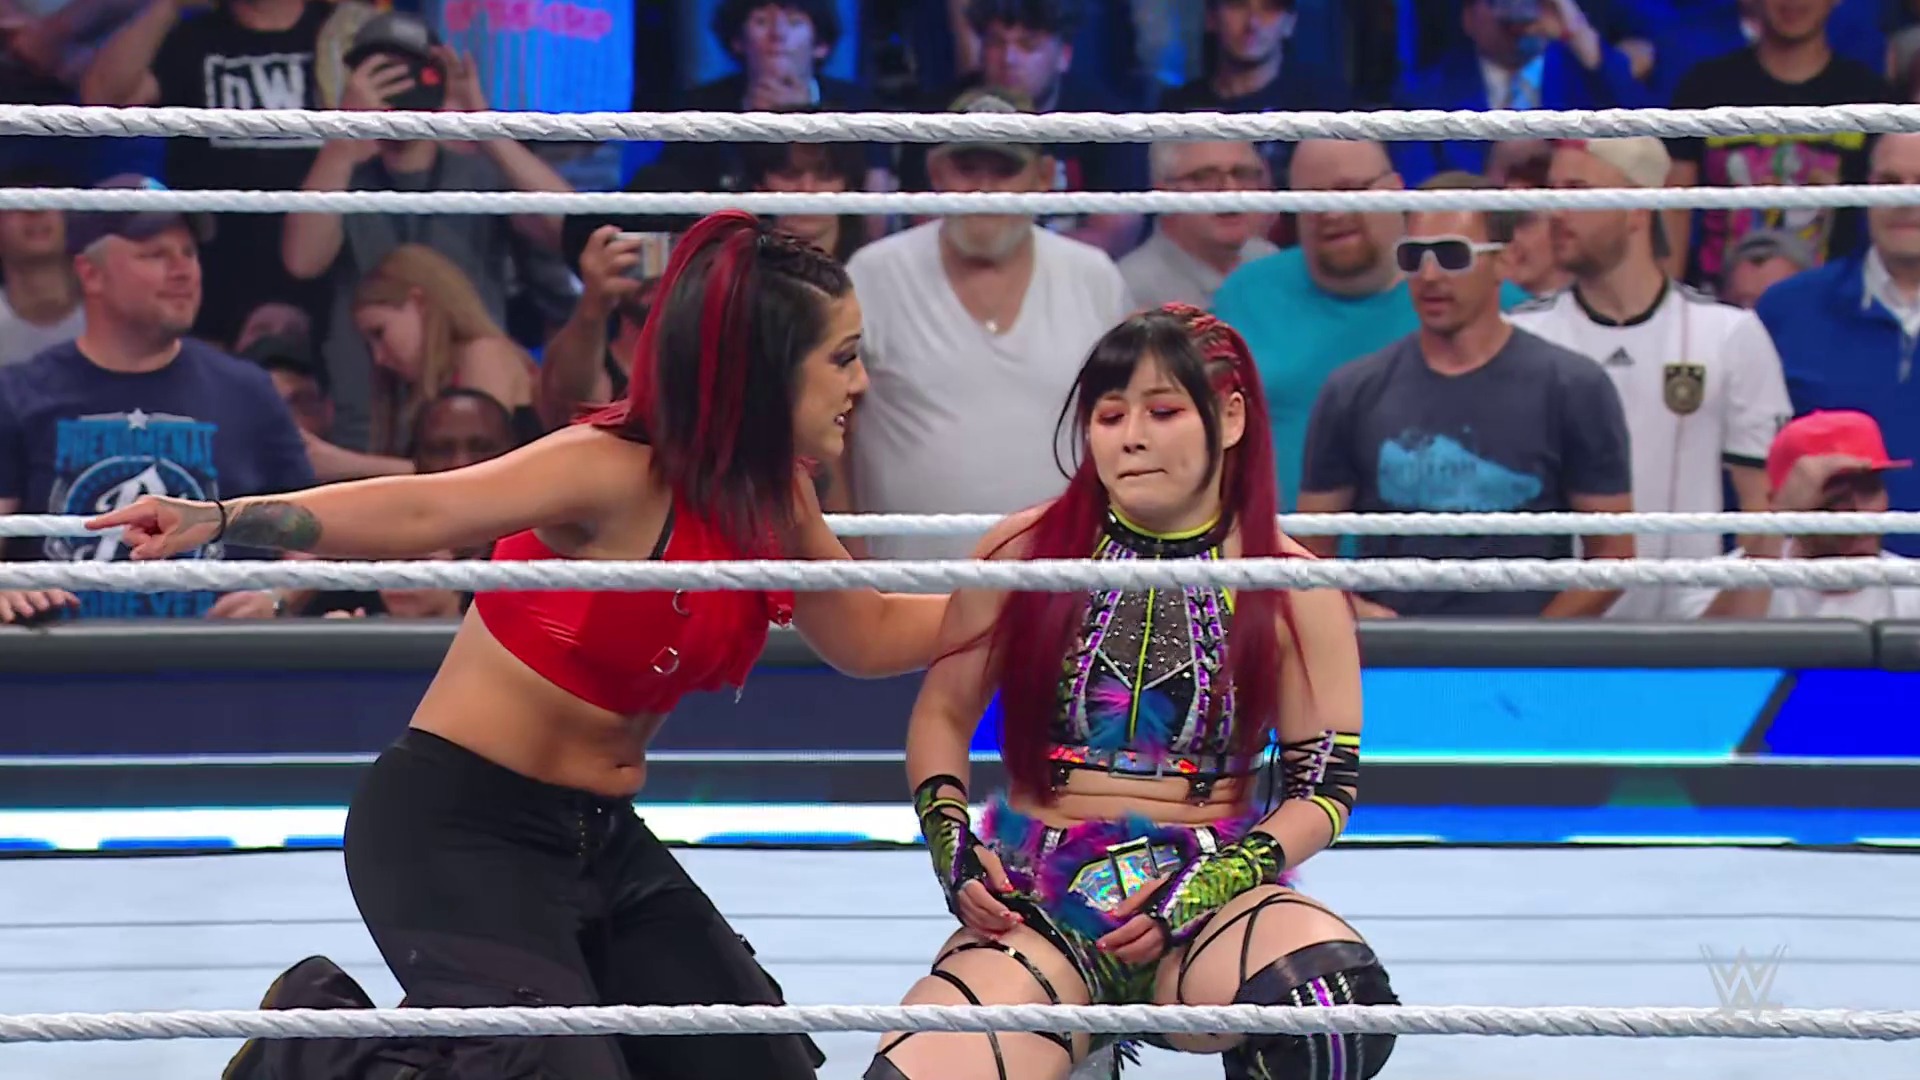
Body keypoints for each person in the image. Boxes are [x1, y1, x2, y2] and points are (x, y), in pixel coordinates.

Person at [86, 210, 949, 1080]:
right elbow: (425, 508)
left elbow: (871, 634)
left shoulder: (774, 499)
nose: (862, 382)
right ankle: (314, 1049)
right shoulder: (610, 468)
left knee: (754, 1069)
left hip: (600, 838)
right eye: (842, 357)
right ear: (765, 369)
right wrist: (224, 518)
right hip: (456, 826)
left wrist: (1020, 582)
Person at [864, 304, 1397, 1080]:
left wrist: (1205, 885)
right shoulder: (1025, 553)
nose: (1131, 437)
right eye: (1110, 416)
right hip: (1042, 904)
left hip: (1207, 900)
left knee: (1331, 1010)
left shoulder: (1294, 584)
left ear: (1231, 417)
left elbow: (1323, 789)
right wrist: (955, 852)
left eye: (1163, 411)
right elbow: (943, 715)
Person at [1509, 137, 1792, 619]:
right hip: (1552, 631)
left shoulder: (1728, 334)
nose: (1554, 211)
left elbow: (1763, 510)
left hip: (1687, 633)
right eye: (1550, 191)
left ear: (1637, 207)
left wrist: (1728, 626)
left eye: (1576, 190)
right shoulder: (1521, 336)